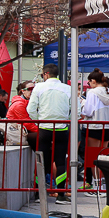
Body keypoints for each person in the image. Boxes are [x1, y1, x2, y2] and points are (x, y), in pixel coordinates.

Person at [28, 63, 72, 204]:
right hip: (61, 128)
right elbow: (76, 111)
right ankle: (61, 195)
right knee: (60, 161)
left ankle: (38, 194)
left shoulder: (39, 87)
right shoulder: (68, 88)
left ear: (46, 74)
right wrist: (66, 120)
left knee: (41, 160)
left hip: (44, 128)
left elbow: (30, 109)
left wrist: (38, 121)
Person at [81, 68, 109, 188]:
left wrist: (82, 107)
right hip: (108, 126)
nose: (89, 84)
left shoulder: (92, 92)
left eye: (89, 82)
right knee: (103, 156)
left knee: (93, 156)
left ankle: (97, 185)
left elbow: (88, 111)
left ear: (93, 81)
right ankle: (103, 185)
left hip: (94, 125)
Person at [5, 82, 38, 150]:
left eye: (34, 89)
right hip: (17, 131)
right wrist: (42, 130)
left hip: (24, 130)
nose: (32, 91)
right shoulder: (19, 104)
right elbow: (27, 123)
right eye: (30, 89)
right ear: (23, 91)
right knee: (42, 137)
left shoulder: (30, 102)